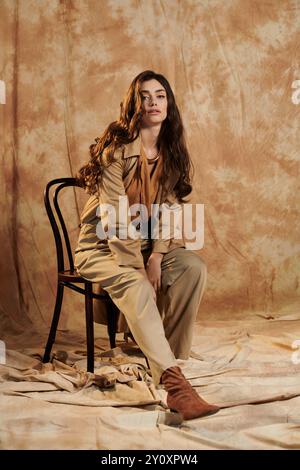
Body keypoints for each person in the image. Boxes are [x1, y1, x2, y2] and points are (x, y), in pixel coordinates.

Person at [75, 70, 219, 420]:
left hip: (144, 247)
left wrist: (155, 255)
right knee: (137, 283)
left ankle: (165, 358)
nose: (153, 102)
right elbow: (116, 217)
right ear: (134, 103)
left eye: (160, 95)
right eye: (145, 95)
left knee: (192, 267)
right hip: (101, 246)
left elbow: (168, 210)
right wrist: (139, 266)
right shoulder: (114, 152)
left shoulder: (170, 151)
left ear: (169, 104)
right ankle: (175, 388)